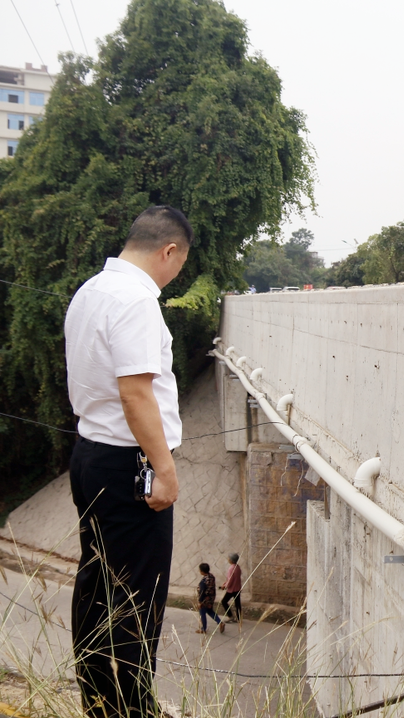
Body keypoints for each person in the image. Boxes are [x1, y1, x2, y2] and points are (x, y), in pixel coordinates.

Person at [66, 205, 191, 717]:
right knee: (140, 595)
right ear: (168, 252)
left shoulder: (91, 291)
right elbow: (136, 394)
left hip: (90, 456)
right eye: (178, 263)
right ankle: (137, 708)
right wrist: (164, 469)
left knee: (96, 581)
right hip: (128, 465)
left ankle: (101, 703)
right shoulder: (137, 301)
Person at [196, 563, 225, 634]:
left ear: (202, 571)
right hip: (211, 598)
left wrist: (200, 602)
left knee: (202, 613)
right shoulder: (211, 577)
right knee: (210, 611)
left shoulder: (204, 581)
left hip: (204, 599)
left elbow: (202, 592)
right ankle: (220, 623)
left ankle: (203, 629)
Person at [220, 552, 243, 623]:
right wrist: (226, 582)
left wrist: (225, 586)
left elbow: (230, 580)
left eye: (228, 558)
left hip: (232, 589)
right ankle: (239, 618)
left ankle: (230, 616)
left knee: (224, 602)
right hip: (237, 588)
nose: (228, 559)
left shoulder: (231, 568)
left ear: (231, 560)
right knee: (237, 603)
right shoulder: (237, 567)